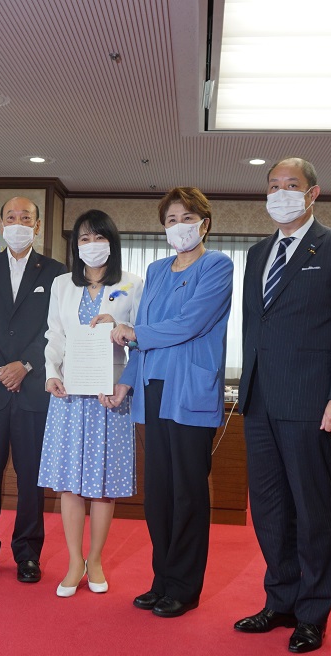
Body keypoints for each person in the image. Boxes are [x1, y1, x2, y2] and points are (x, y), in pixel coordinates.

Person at [235, 158, 331, 652]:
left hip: (312, 401)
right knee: (269, 508)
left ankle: (313, 612)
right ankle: (281, 600)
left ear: (314, 193)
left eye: (292, 185)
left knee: (311, 510)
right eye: (273, 186)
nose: (281, 193)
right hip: (259, 401)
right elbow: (256, 327)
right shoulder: (256, 253)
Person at [108, 187, 233, 617]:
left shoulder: (218, 265)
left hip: (189, 391)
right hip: (151, 390)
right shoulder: (158, 270)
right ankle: (161, 579)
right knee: (158, 493)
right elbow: (142, 328)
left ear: (205, 223)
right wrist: (125, 381)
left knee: (188, 493)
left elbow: (190, 323)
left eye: (187, 217)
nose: (178, 226)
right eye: (171, 219)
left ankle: (184, 586)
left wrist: (134, 333)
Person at [0, 196, 67, 583]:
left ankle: (27, 553)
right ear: (1, 223)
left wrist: (24, 365)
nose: (18, 222)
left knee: (29, 477)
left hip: (33, 389)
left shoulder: (57, 272)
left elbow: (56, 329)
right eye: (11, 216)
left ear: (37, 227)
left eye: (26, 217)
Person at [38, 210, 143, 597]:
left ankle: (94, 560)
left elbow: (139, 339)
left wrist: (121, 334)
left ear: (112, 244)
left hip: (109, 396)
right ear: (75, 246)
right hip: (68, 395)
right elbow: (55, 334)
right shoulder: (62, 284)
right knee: (69, 484)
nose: (92, 246)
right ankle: (72, 562)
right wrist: (50, 371)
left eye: (99, 238)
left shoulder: (133, 284)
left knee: (103, 485)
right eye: (84, 239)